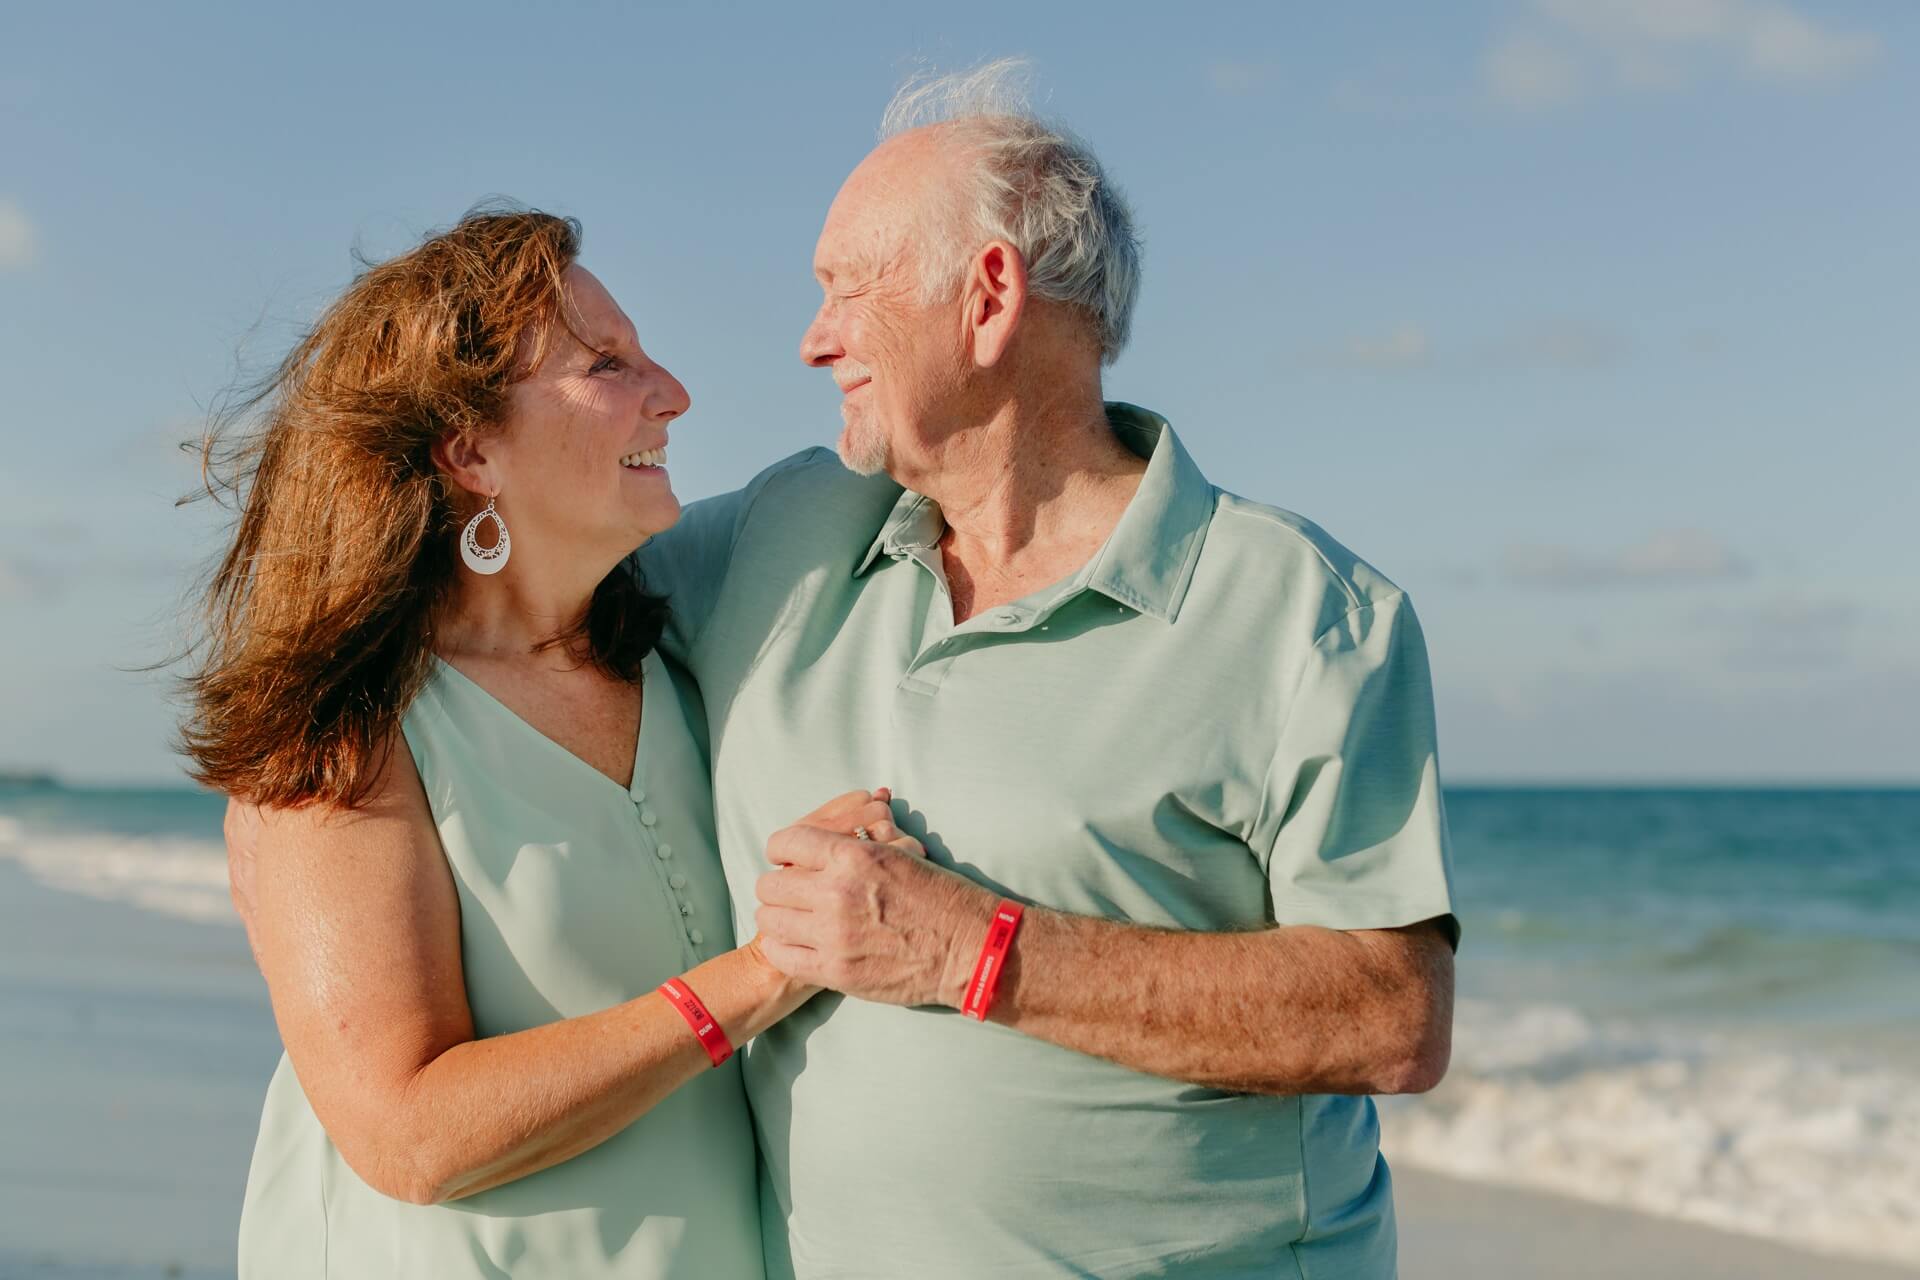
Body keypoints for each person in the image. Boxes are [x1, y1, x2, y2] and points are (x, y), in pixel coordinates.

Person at [632, 62, 1460, 1277]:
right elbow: (516, 588)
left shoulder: (1305, 614)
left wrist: (975, 950)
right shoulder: (776, 534)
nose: (815, 341)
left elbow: (1392, 1013)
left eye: (846, 289)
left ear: (988, 295)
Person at [187, 208, 905, 1277]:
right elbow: (406, 1131)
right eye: (605, 362)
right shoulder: (348, 730)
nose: (673, 392)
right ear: (470, 447)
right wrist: (762, 973)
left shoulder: (678, 669)